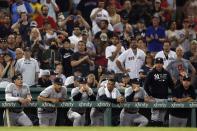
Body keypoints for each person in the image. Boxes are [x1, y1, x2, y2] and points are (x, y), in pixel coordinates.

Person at [144, 57, 174, 126]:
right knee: (155, 117)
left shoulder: (166, 73)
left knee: (161, 118)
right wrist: (150, 95)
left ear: (163, 64)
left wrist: (174, 95)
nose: (159, 65)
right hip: (155, 98)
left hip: (164, 98)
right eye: (157, 63)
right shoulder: (151, 73)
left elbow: (171, 85)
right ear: (155, 64)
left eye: (160, 63)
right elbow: (145, 86)